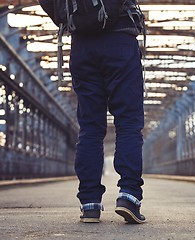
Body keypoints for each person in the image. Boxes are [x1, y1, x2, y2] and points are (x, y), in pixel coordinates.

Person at [39, 0, 146, 224]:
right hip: (120, 40)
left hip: (82, 47)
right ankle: (129, 196)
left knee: (90, 128)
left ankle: (90, 205)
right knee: (128, 123)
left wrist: (66, 17)